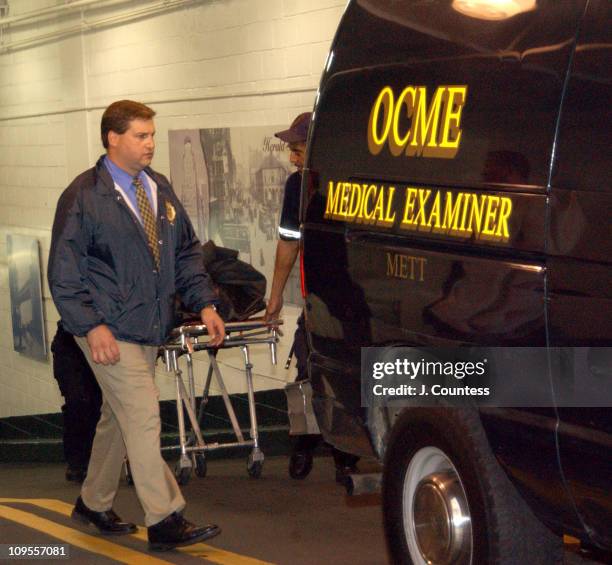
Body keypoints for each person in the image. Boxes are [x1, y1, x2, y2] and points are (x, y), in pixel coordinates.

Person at [48, 100, 225, 551]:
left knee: (118, 415)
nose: (150, 143)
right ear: (113, 138)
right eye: (141, 136)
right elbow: (64, 272)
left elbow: (185, 252)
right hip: (107, 327)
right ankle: (165, 517)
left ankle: (93, 501)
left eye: (151, 135)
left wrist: (206, 305)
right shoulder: (84, 196)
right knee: (144, 415)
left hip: (148, 324)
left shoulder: (158, 188)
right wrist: (91, 327)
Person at [264, 112, 359, 483]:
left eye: (298, 149)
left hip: (346, 305)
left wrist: (274, 298)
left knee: (335, 377)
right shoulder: (297, 186)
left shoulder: (344, 183)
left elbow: (289, 247)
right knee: (309, 371)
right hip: (320, 304)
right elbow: (289, 244)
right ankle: (309, 446)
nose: (292, 158)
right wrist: (275, 298)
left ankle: (343, 455)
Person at [51, 322, 102, 483]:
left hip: (99, 341)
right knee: (77, 401)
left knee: (98, 402)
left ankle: (93, 461)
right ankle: (78, 461)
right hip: (70, 343)